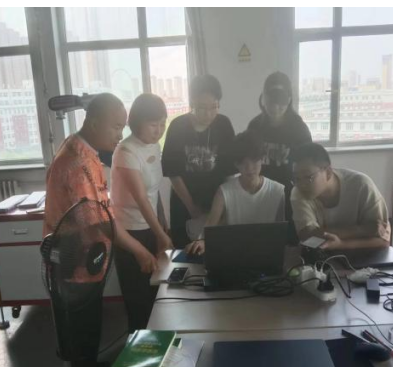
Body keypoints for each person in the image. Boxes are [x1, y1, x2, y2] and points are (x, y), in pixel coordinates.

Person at [44, 93, 157, 367]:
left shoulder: (82, 148)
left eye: (122, 127)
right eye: (115, 127)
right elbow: (101, 222)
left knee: (89, 323)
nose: (120, 135)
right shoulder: (78, 162)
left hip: (86, 259)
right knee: (82, 327)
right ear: (93, 123)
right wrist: (140, 250)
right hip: (74, 261)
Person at [111, 93, 170, 331]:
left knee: (157, 293)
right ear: (137, 123)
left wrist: (163, 226)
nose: (159, 130)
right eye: (153, 124)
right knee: (138, 299)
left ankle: (157, 343)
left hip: (151, 226)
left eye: (163, 124)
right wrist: (161, 235)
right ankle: (137, 345)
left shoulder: (154, 145)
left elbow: (155, 192)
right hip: (130, 232)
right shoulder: (126, 151)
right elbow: (142, 199)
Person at [162, 75, 236, 248]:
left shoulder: (223, 125)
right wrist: (191, 207)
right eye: (202, 108)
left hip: (216, 200)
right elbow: (173, 172)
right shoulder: (178, 126)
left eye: (214, 107)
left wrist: (223, 204)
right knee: (185, 251)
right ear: (192, 103)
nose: (209, 114)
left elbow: (229, 170)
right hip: (184, 202)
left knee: (218, 248)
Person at [185, 134, 286, 255]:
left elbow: (282, 232)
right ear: (236, 164)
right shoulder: (224, 192)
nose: (249, 168)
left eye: (254, 161)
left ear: (262, 159)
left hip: (267, 252)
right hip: (233, 252)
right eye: (243, 162)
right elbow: (210, 226)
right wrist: (202, 241)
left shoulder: (278, 191)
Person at [290, 143, 391, 250]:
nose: (302, 184)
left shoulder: (362, 186)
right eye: (297, 178)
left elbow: (383, 241)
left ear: (328, 172)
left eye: (308, 177)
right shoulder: (299, 192)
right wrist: (362, 230)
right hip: (322, 256)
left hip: (366, 255)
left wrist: (342, 244)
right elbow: (307, 235)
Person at [245, 71, 314, 187]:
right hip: (260, 189)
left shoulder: (299, 129)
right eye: (271, 100)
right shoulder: (255, 126)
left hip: (290, 189)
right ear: (264, 98)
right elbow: (247, 160)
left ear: (289, 100)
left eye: (281, 101)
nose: (275, 107)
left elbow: (308, 165)